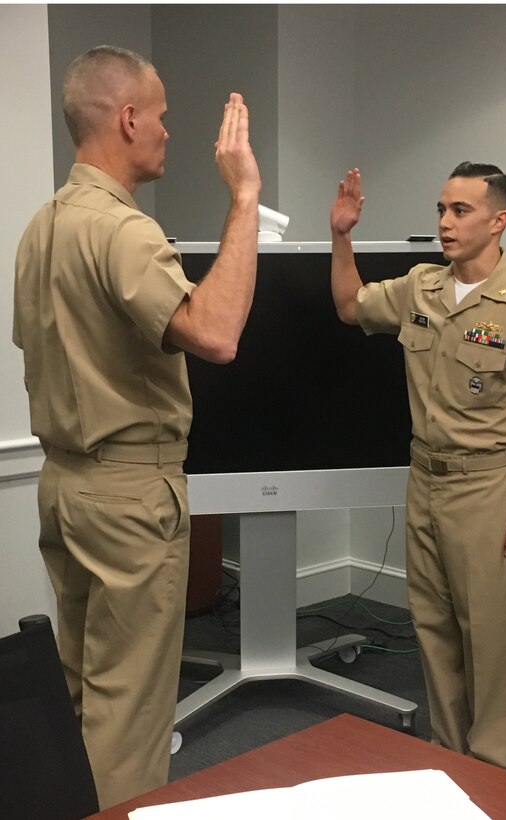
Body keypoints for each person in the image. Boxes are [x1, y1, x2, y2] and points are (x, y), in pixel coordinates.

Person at [13, 45, 261, 809]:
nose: (166, 130)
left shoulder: (42, 227)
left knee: (85, 693)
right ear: (127, 118)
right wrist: (244, 198)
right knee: (131, 719)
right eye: (159, 116)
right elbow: (216, 333)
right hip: (127, 497)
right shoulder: (122, 231)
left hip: (66, 488)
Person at [330, 162, 506, 769]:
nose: (444, 222)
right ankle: (449, 763)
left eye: (460, 211)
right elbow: (348, 307)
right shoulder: (420, 287)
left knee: (492, 643)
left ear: (499, 220)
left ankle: (493, 776)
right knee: (433, 634)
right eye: (441, 209)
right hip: (424, 483)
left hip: (489, 489)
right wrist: (341, 236)